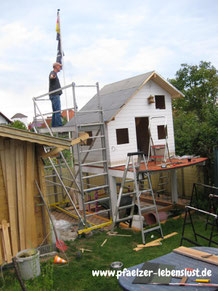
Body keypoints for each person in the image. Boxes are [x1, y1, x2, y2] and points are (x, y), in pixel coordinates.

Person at [49, 62, 63, 127]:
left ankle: (54, 126)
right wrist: (53, 76)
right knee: (57, 111)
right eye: (59, 66)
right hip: (55, 95)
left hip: (53, 95)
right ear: (56, 67)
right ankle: (59, 125)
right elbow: (51, 77)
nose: (60, 68)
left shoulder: (54, 73)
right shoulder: (53, 73)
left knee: (55, 112)